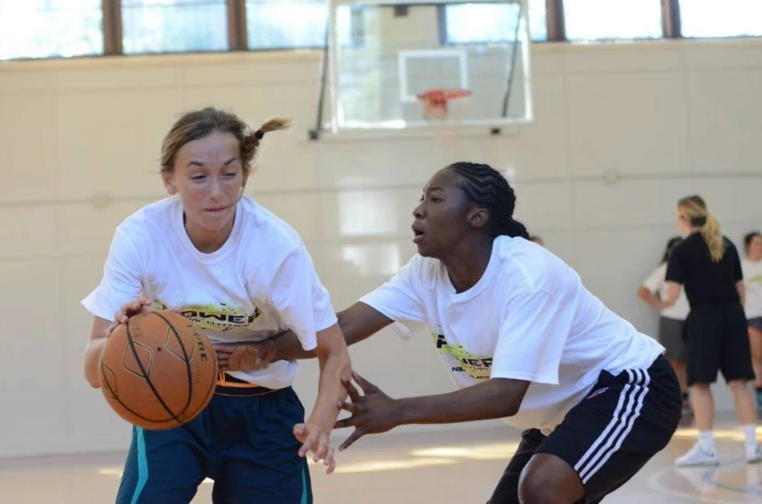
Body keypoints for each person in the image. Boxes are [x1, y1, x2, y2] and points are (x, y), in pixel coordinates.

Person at [221, 162, 682, 503]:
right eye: (422, 198)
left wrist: (397, 411)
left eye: (435, 200)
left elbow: (505, 395)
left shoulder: (529, 275)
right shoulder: (425, 273)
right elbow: (340, 328)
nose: (418, 211)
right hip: (558, 416)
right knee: (541, 489)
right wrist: (258, 349)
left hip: (631, 389)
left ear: (477, 217)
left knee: (543, 487)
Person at [81, 107, 351, 503]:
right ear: (169, 180)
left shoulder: (274, 247)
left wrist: (321, 422)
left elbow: (335, 350)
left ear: (245, 174)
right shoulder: (141, 236)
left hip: (263, 410)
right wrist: (122, 338)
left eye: (229, 173)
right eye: (198, 176)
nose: (216, 191)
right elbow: (92, 370)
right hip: (170, 406)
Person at [660, 196, 761, 466]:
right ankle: (752, 446)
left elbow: (671, 294)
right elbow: (740, 292)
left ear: (683, 218)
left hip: (704, 318)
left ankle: (706, 447)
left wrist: (664, 302)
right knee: (740, 383)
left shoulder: (681, 251)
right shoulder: (725, 244)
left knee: (700, 384)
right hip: (733, 316)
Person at [638, 236, 692, 418]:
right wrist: (660, 305)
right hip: (672, 319)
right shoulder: (665, 269)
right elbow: (643, 291)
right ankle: (675, 398)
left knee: (688, 360)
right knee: (674, 359)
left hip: (693, 318)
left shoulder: (691, 267)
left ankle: (686, 397)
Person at [742, 231, 762, 409]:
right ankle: (759, 393)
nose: (760, 247)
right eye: (756, 243)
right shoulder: (742, 267)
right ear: (748, 246)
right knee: (756, 354)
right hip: (751, 316)